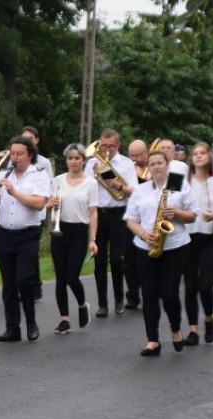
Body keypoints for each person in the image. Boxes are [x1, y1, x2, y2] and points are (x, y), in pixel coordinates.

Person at [125, 150, 198, 356]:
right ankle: (153, 340)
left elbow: (193, 215)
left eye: (160, 163)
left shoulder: (178, 183)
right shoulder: (141, 190)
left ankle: (175, 329)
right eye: (153, 163)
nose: (157, 166)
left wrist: (176, 213)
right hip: (146, 246)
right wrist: (142, 234)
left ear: (168, 165)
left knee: (169, 293)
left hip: (175, 245)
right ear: (149, 167)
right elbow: (130, 219)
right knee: (148, 294)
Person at [0, 135, 50, 342]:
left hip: (28, 235)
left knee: (24, 280)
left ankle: (31, 322)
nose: (15, 157)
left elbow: (39, 203)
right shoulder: (3, 175)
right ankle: (12, 327)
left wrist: (14, 192)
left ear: (29, 155)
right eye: (12, 153)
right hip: (5, 234)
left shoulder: (38, 175)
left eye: (20, 154)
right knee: (9, 283)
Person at [85, 128, 140, 317]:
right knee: (99, 260)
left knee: (117, 259)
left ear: (118, 146)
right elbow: (86, 190)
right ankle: (102, 304)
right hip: (98, 214)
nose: (106, 149)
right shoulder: (92, 163)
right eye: (103, 145)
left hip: (119, 213)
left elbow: (135, 191)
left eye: (111, 146)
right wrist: (95, 178)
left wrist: (118, 185)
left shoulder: (126, 164)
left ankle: (119, 299)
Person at [47, 143, 99, 334]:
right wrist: (49, 203)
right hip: (59, 231)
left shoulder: (91, 183)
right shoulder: (57, 180)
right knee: (60, 278)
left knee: (71, 276)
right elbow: (49, 206)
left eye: (77, 158)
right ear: (66, 160)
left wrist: (92, 239)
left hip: (79, 232)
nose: (74, 161)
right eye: (70, 158)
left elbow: (93, 213)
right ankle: (64, 320)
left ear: (83, 160)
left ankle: (82, 303)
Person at [183, 142, 213, 345]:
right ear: (191, 158)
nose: (199, 156)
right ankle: (193, 330)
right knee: (190, 285)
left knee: (205, 285)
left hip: (210, 238)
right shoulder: (184, 183)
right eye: (195, 153)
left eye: (203, 153)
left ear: (209, 157)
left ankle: (209, 319)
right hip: (187, 238)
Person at [21, 126, 53, 301]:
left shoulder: (43, 163)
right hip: (21, 211)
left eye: (30, 139)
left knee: (31, 250)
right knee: (26, 251)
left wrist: (46, 206)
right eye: (24, 138)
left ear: (36, 140)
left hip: (37, 212)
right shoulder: (16, 160)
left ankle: (35, 286)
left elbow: (49, 186)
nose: (27, 141)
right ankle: (30, 284)